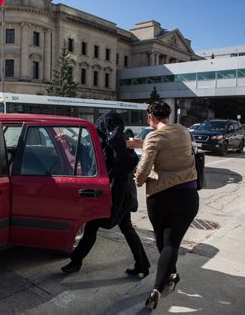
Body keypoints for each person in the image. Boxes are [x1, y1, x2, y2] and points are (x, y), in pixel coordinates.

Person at [61, 111, 151, 279]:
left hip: (121, 195)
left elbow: (130, 163)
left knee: (120, 229)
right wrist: (71, 141)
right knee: (95, 227)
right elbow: (89, 154)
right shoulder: (101, 141)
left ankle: (142, 264)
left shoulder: (121, 141)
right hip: (106, 193)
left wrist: (118, 144)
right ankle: (141, 265)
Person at [133, 101, 199, 310]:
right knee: (172, 243)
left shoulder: (154, 136)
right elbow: (172, 147)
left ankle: (157, 288)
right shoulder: (184, 131)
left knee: (164, 243)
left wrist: (138, 179)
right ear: (167, 116)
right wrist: (142, 143)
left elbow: (143, 171)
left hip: (161, 197)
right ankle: (169, 276)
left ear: (150, 117)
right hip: (188, 196)